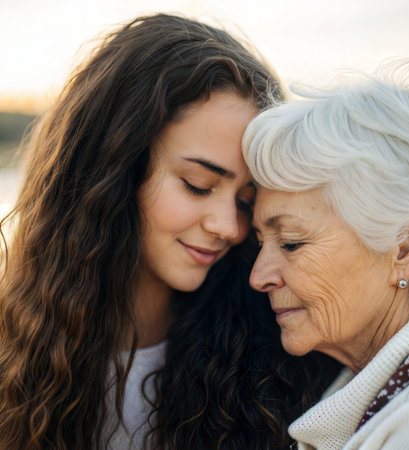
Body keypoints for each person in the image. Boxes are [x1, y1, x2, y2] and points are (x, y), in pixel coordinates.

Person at [0, 13, 340, 450]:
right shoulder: (15, 351)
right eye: (198, 186)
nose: (228, 228)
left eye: (245, 202)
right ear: (116, 168)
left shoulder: (282, 360)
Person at [242, 58, 409, 449]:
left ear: (406, 248)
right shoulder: (377, 391)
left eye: (290, 242)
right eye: (259, 244)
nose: (258, 276)